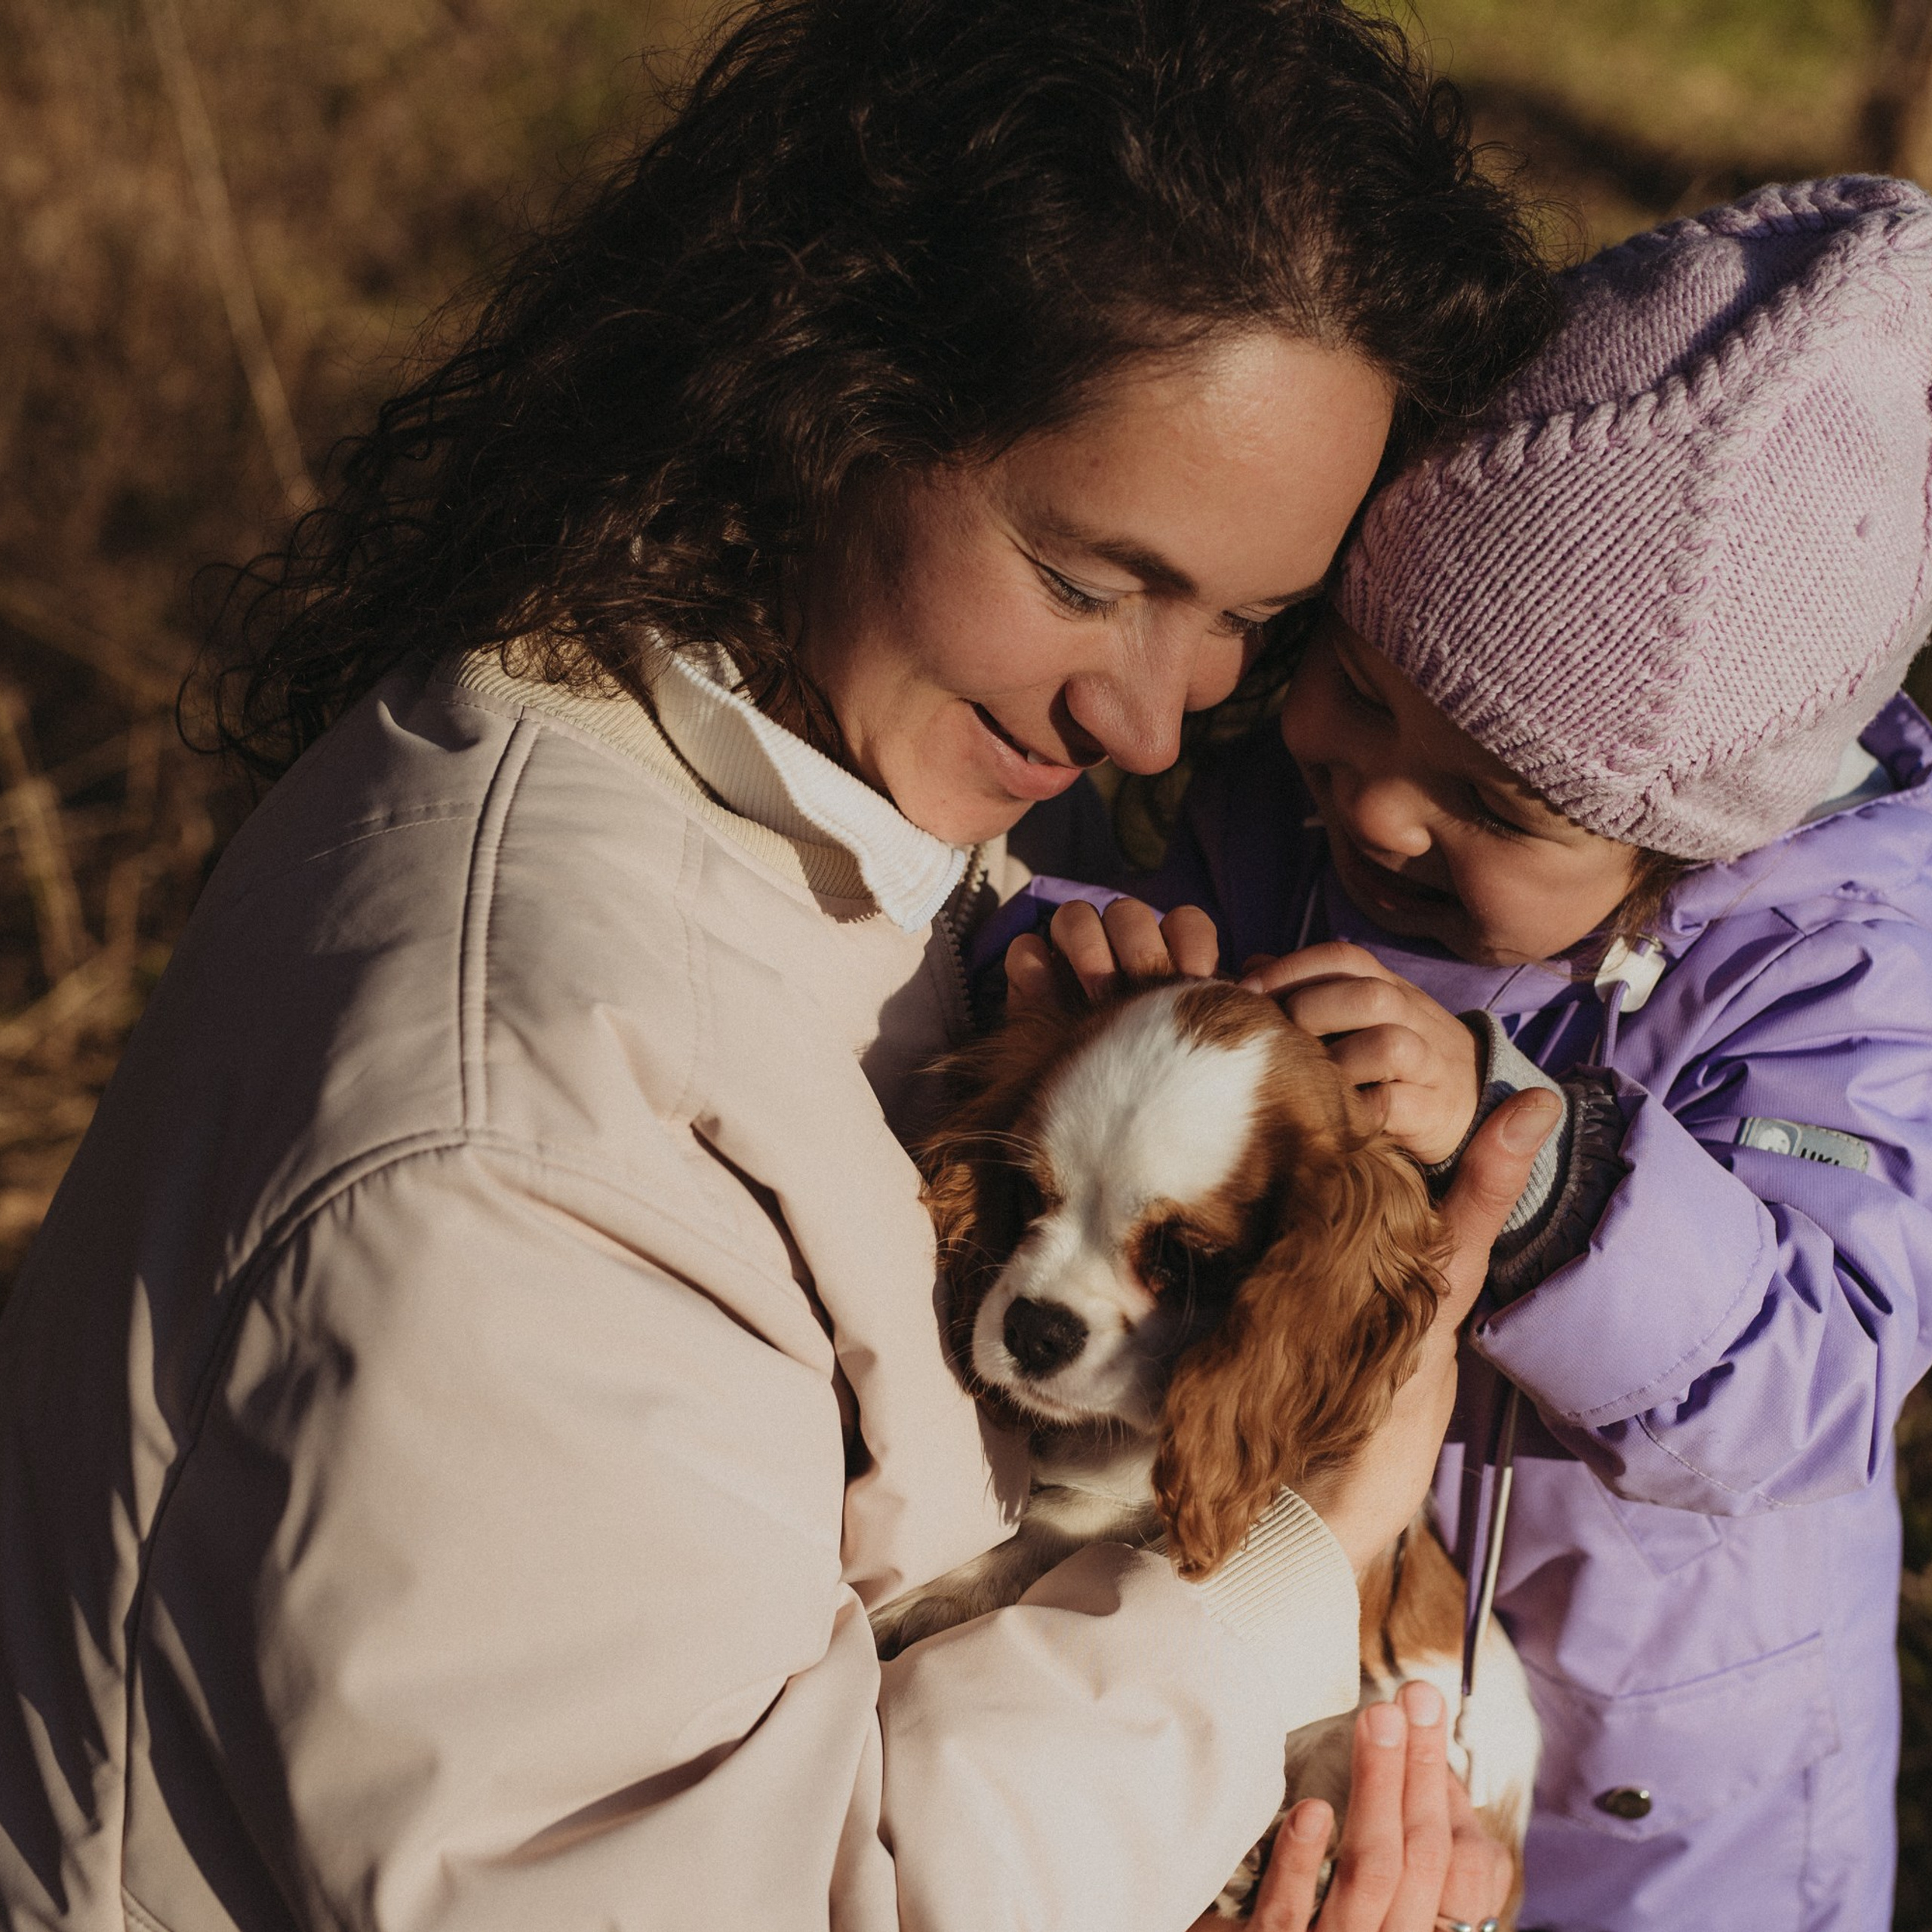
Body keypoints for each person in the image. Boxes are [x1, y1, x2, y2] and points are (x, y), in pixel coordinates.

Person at [0, 2, 1558, 1928]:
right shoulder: (518, 1134)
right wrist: (1290, 1575)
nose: (1153, 721)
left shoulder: (810, 798)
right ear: (832, 394)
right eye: (1087, 579)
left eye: (1246, 619)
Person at [1021, 174, 1932, 1930]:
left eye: (1487, 801)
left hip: (1659, 1793)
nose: (1371, 798)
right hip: (1337, 1642)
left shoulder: (1838, 975)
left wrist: (1547, 1168)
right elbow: (1104, 934)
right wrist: (1083, 976)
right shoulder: (1275, 829)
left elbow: (1816, 1370)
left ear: (1682, 846)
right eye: (1357, 687)